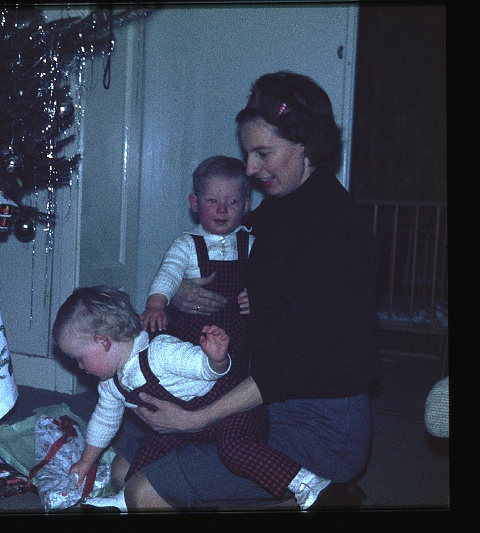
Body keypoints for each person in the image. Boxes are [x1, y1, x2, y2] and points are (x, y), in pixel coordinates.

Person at [119, 71, 380, 511]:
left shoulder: (338, 229)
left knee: (144, 492)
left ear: (305, 145)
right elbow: (223, 265)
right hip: (255, 397)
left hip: (319, 421)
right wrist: (179, 291)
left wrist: (194, 420)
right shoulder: (275, 213)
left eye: (264, 153)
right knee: (125, 466)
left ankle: (322, 491)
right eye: (247, 153)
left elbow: (290, 367)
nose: (251, 169)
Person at [53, 285, 269, 512]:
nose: (79, 367)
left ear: (103, 342)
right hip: (177, 436)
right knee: (126, 472)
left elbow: (205, 367)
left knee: (234, 452)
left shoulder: (160, 352)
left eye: (80, 359)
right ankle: (129, 498)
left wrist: (216, 361)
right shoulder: (110, 383)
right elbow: (104, 422)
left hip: (224, 423)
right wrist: (86, 462)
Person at [141, 155, 252, 380]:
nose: (222, 209)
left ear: (246, 205)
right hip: (194, 332)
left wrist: (256, 293)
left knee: (235, 373)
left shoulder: (249, 242)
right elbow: (168, 274)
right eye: (212, 201)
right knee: (190, 375)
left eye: (232, 202)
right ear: (194, 203)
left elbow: (265, 276)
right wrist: (156, 305)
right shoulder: (187, 244)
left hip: (237, 329)